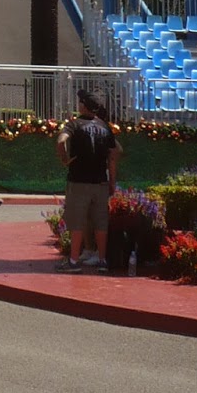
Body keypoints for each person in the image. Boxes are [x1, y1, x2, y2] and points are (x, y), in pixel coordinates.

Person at [56, 90, 120, 272]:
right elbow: (113, 156)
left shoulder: (74, 125)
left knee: (77, 222)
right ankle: (101, 260)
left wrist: (64, 158)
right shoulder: (105, 127)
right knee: (101, 222)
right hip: (100, 181)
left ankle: (74, 262)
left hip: (79, 181)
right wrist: (112, 182)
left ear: (83, 106)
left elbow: (61, 141)